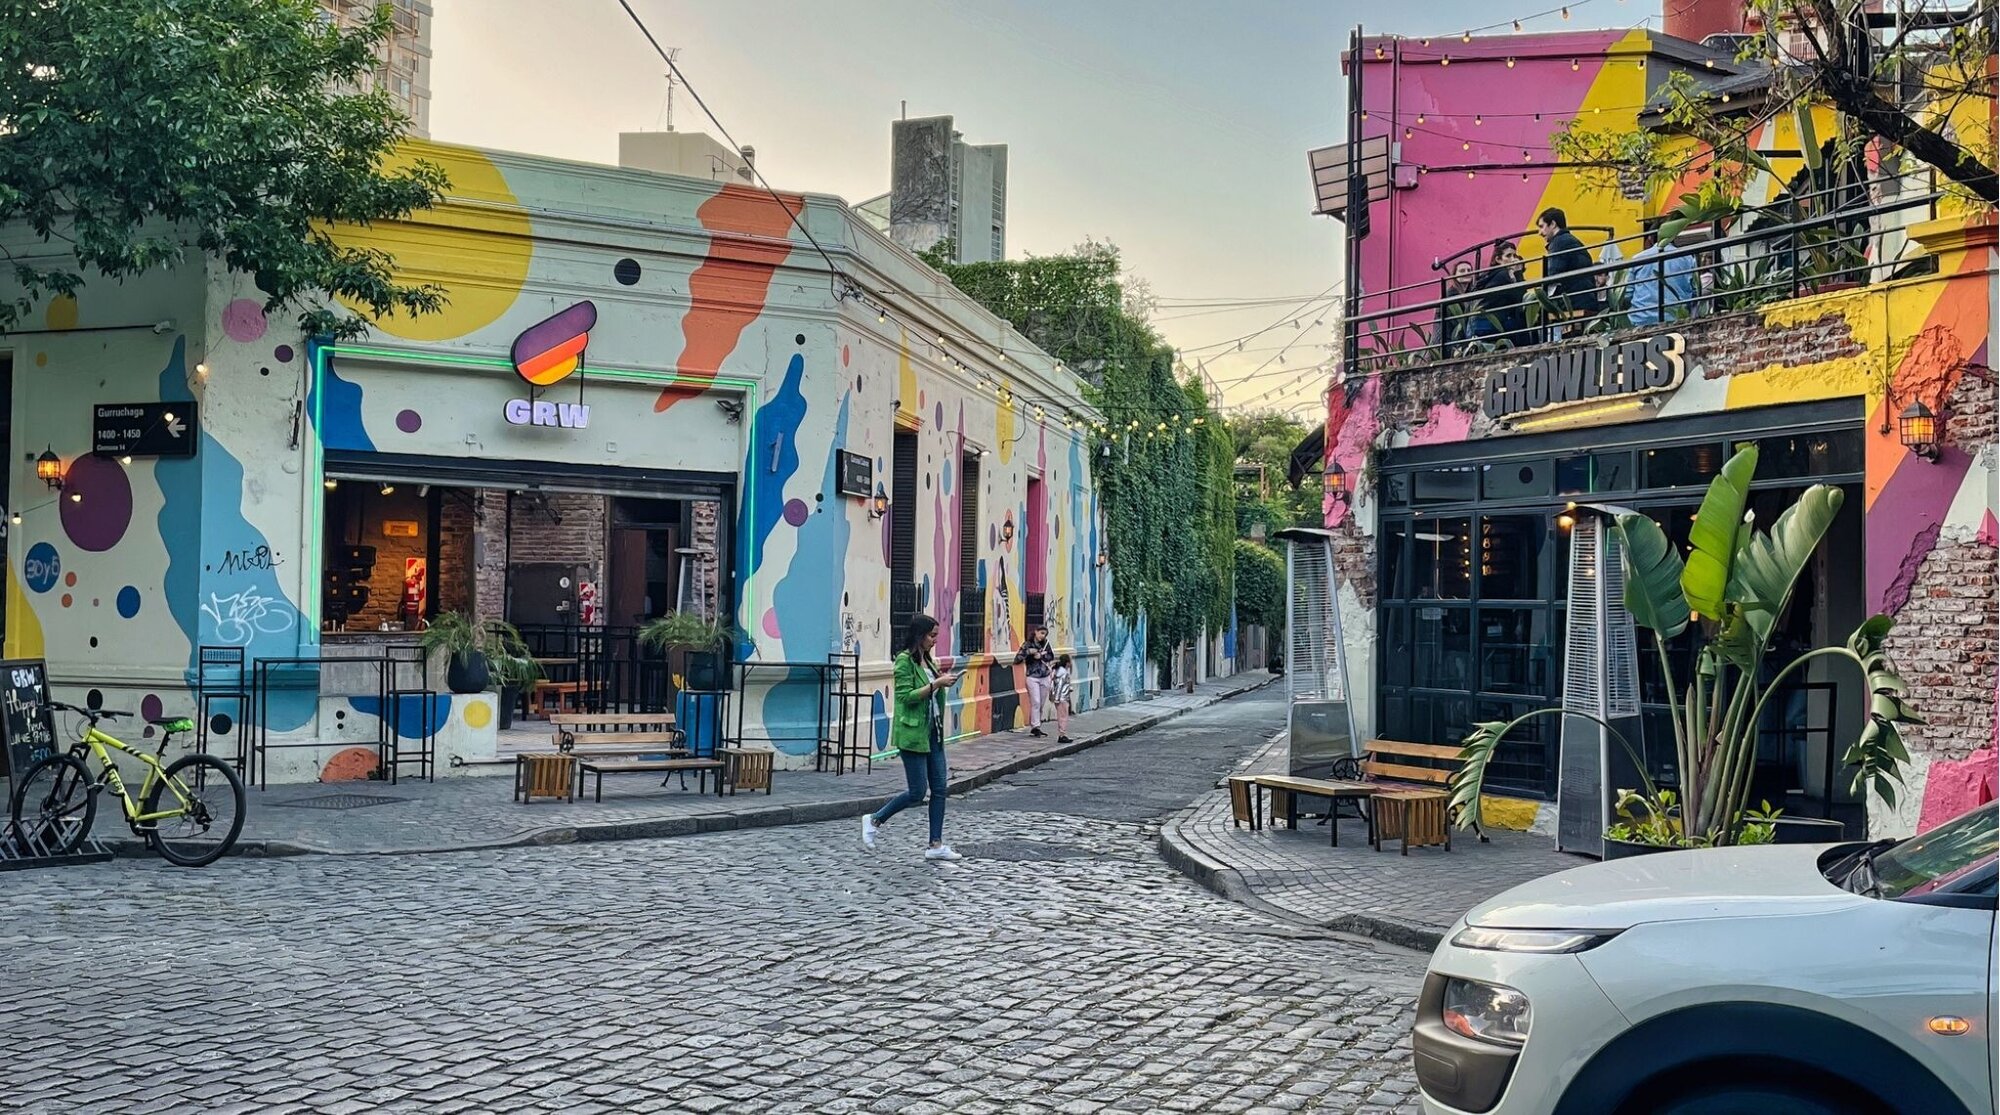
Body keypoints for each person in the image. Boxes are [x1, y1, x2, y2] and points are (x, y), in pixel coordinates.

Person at [862, 615, 962, 860]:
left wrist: (942, 681)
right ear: (919, 635)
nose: (935, 640)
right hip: (913, 733)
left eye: (936, 635)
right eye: (932, 635)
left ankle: (935, 845)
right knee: (917, 792)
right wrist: (937, 684)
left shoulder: (928, 660)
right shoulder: (903, 661)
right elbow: (905, 696)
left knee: (940, 789)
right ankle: (874, 819)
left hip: (933, 732)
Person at [1537, 207, 1600, 330]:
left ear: (1553, 224)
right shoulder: (1570, 240)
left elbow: (1552, 274)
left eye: (1542, 226)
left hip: (1573, 303)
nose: (1540, 232)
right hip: (1584, 299)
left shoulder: (1559, 242)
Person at [1624, 221, 1696, 327]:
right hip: (1676, 317)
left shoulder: (1638, 259)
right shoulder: (1687, 258)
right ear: (1673, 237)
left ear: (1650, 238)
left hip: (1641, 318)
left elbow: (1627, 294)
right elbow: (1694, 290)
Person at [1469, 241, 1528, 346]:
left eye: (1514, 255)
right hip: (1493, 325)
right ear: (1498, 259)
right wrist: (1518, 273)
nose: (1513, 259)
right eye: (1508, 256)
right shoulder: (1503, 274)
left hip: (1478, 325)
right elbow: (1521, 297)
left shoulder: (1490, 275)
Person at [1018, 625, 1054, 738]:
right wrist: (1029, 653)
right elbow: (1018, 658)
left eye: (1045, 634)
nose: (1043, 636)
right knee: (1036, 702)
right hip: (1032, 676)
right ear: (1036, 632)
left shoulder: (1046, 644)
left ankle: (1037, 725)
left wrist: (1042, 656)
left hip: (1045, 676)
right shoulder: (1028, 644)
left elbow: (1051, 656)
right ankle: (1035, 726)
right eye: (1041, 633)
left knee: (1041, 703)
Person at [1438, 259, 1480, 356]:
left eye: (1469, 270)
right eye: (1462, 271)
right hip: (1449, 340)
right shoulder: (1449, 295)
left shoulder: (1471, 293)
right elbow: (1451, 324)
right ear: (1455, 275)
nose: (1466, 273)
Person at [1050, 653, 1074, 745]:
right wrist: (1057, 698)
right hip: (1062, 698)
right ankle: (1062, 735)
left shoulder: (1057, 671)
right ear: (1067, 663)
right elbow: (1060, 686)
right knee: (1063, 717)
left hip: (1060, 697)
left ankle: (1062, 734)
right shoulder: (1064, 673)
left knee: (1061, 716)